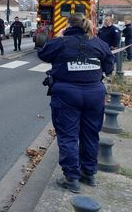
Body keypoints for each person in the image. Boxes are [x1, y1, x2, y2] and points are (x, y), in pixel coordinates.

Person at [38, 14, 114, 193]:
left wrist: (59, 37)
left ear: (67, 25)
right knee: (90, 134)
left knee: (68, 136)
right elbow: (109, 67)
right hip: (94, 94)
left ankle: (72, 178)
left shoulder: (61, 42)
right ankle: (89, 173)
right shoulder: (99, 43)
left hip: (66, 94)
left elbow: (43, 53)